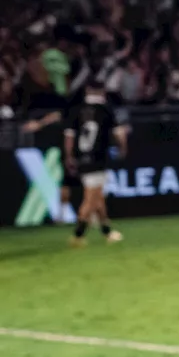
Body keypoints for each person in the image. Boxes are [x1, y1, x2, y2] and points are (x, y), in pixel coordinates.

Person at [63, 80, 129, 247]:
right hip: (98, 158)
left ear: (87, 90)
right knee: (91, 198)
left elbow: (69, 137)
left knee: (98, 196)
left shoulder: (76, 110)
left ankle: (107, 231)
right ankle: (78, 235)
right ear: (102, 91)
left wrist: (69, 156)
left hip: (81, 158)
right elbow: (119, 133)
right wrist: (122, 148)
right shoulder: (106, 110)